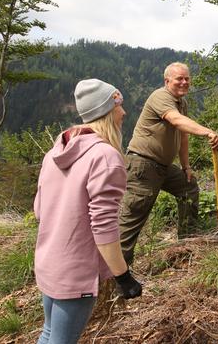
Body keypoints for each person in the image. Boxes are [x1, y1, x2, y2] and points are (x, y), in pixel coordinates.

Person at [34, 79, 142, 344]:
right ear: (106, 111)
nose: (124, 113)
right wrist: (123, 275)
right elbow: (104, 226)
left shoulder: (55, 152)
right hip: (76, 271)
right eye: (119, 105)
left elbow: (39, 209)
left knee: (48, 333)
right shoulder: (105, 157)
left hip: (48, 262)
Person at [119, 62, 218, 264]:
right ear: (167, 81)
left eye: (187, 79)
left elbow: (182, 135)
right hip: (143, 165)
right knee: (132, 220)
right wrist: (207, 131)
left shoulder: (181, 102)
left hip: (163, 167)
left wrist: (186, 167)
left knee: (188, 187)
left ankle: (187, 244)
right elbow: (176, 120)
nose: (184, 82)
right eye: (179, 79)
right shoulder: (161, 97)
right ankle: (116, 274)